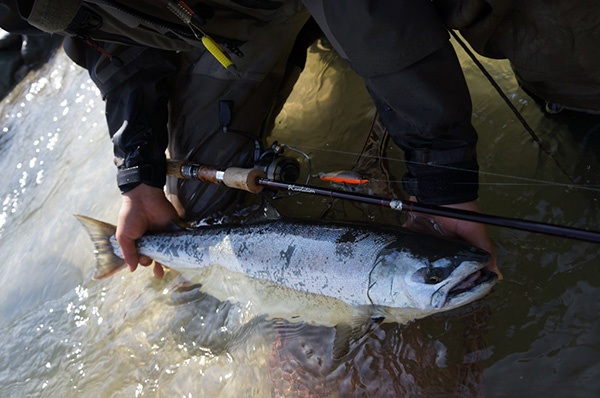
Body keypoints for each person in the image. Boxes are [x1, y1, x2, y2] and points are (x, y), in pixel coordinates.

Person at [4, 1, 596, 280]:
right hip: (230, 19)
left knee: (564, 35)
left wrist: (444, 179)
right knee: (206, 214)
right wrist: (139, 176)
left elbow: (371, 14)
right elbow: (115, 45)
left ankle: (579, 99)